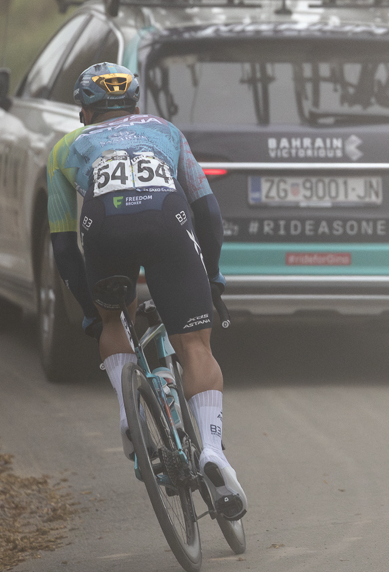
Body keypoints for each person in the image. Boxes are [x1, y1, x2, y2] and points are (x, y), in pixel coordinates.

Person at [46, 62, 246, 520]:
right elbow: (208, 213)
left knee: (116, 319)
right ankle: (212, 450)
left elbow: (61, 245)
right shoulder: (166, 131)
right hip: (167, 220)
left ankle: (126, 411)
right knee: (195, 346)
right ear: (136, 105)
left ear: (84, 112)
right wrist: (211, 277)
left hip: (104, 228)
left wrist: (91, 309)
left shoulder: (63, 148)